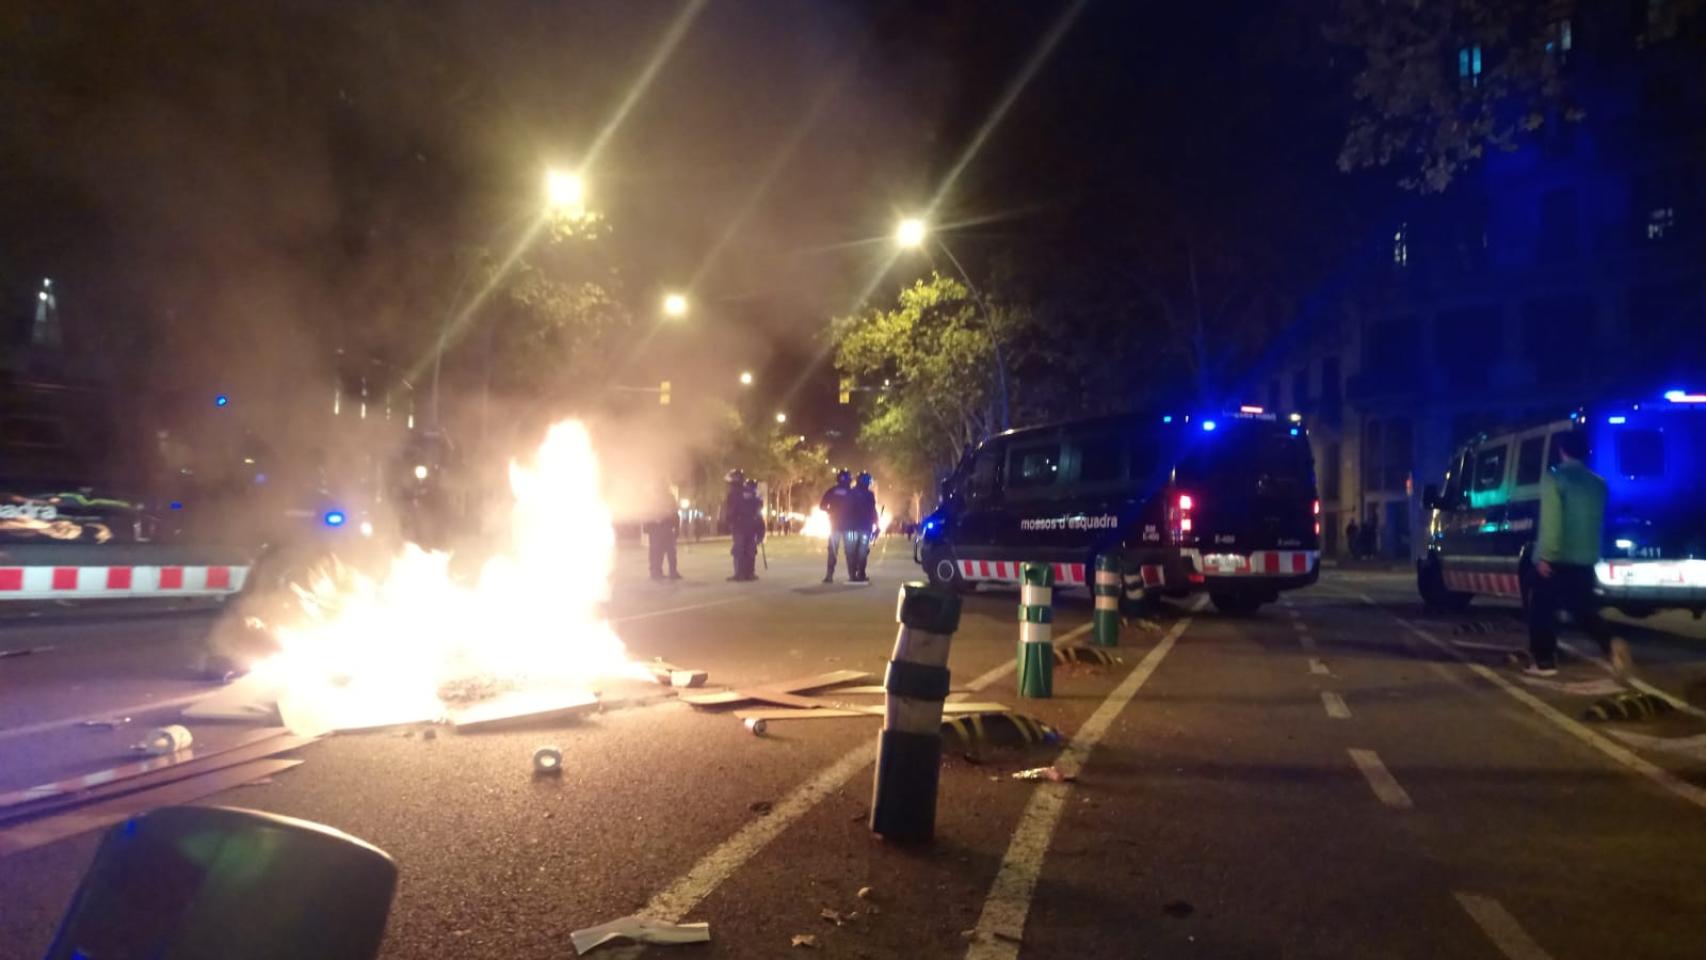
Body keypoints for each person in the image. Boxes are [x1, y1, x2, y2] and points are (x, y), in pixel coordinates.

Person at [1527, 431, 1630, 676]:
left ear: (1562, 450)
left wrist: (1546, 556)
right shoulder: (1598, 483)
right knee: (1582, 610)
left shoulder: (1554, 479)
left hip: (1558, 558)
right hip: (1586, 558)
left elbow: (1552, 521)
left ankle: (1544, 662)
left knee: (1541, 609)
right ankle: (1609, 641)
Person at [819, 469, 854, 583]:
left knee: (833, 551)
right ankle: (852, 575)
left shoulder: (832, 491)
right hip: (849, 526)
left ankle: (829, 575)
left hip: (834, 525)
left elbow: (822, 506)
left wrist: (831, 511)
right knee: (850, 551)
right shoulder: (852, 492)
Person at [724, 469, 760, 582]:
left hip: (739, 525)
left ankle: (739, 574)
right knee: (750, 549)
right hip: (752, 525)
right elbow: (758, 505)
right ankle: (750, 573)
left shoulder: (734, 493)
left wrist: (729, 521)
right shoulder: (750, 491)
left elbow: (731, 510)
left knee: (738, 549)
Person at [845, 471, 879, 582]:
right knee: (862, 552)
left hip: (852, 527)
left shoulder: (851, 493)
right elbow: (873, 511)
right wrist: (877, 525)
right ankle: (861, 574)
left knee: (851, 552)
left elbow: (845, 510)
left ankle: (852, 574)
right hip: (864, 527)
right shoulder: (869, 495)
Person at [643, 484, 681, 582]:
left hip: (664, 527)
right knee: (658, 552)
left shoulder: (667, 498)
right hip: (658, 528)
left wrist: (676, 527)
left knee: (667, 551)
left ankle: (664, 572)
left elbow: (675, 512)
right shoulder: (652, 498)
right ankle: (657, 572)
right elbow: (646, 514)